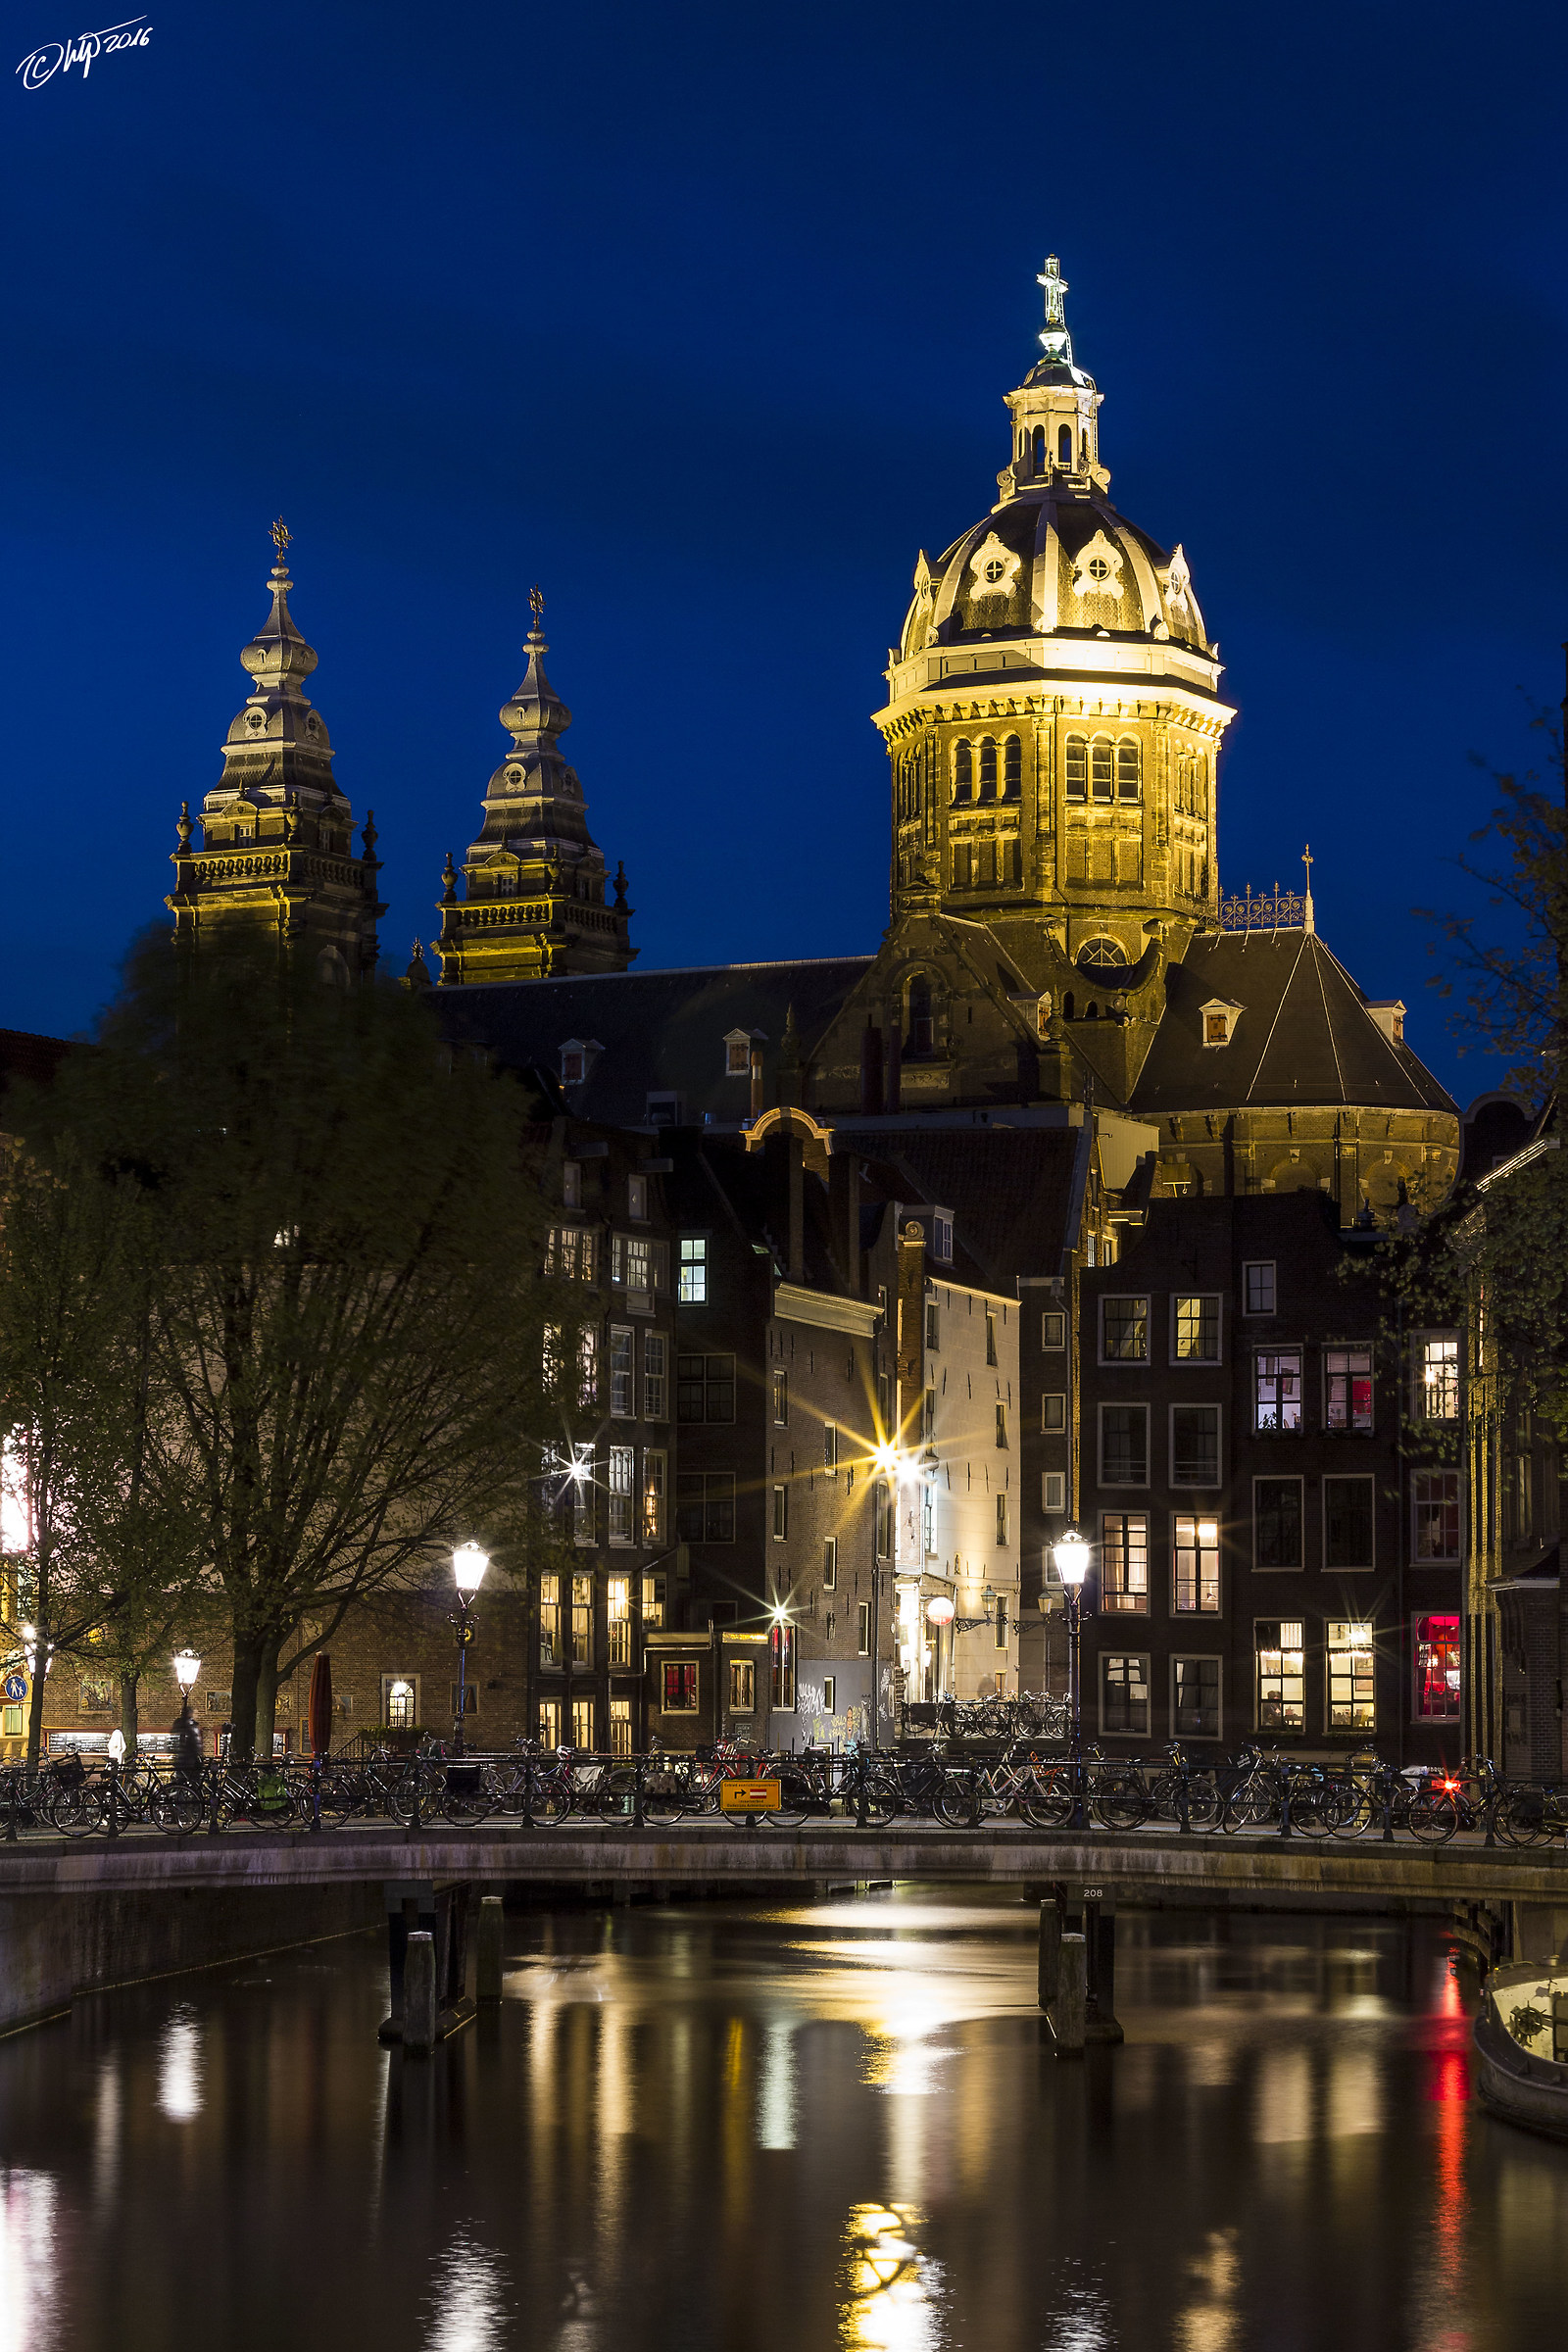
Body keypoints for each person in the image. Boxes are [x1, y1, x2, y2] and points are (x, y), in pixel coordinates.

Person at [172, 1698, 203, 1785]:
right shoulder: (192, 1725)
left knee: (183, 1782)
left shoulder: (182, 1724)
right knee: (193, 1783)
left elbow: (175, 1740)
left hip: (185, 1761)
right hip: (190, 1760)